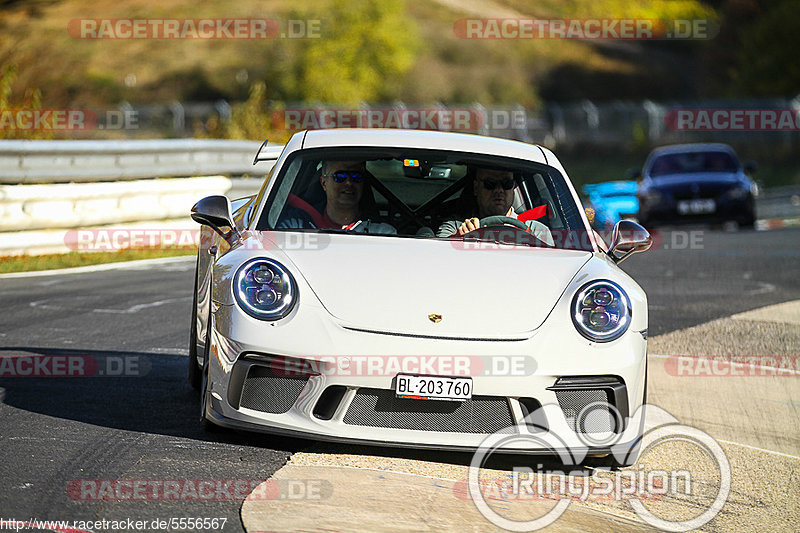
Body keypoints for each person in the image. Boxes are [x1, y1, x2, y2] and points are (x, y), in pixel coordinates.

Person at [436, 166, 553, 245]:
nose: (499, 190)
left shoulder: (537, 231)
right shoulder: (456, 227)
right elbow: (440, 258)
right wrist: (458, 238)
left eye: (506, 183)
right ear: (476, 188)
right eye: (490, 184)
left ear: (513, 187)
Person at [278, 160, 396, 234]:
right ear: (324, 183)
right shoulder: (295, 226)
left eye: (356, 176)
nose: (349, 183)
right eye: (340, 176)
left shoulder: (383, 233)